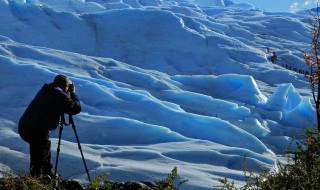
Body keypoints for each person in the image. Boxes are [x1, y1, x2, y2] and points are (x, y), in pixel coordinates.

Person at [19, 74, 81, 178]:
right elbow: (76, 108)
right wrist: (73, 94)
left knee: (42, 146)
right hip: (36, 130)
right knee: (40, 153)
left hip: (25, 127)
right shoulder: (60, 96)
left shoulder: (46, 90)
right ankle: (37, 177)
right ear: (66, 86)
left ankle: (46, 172)